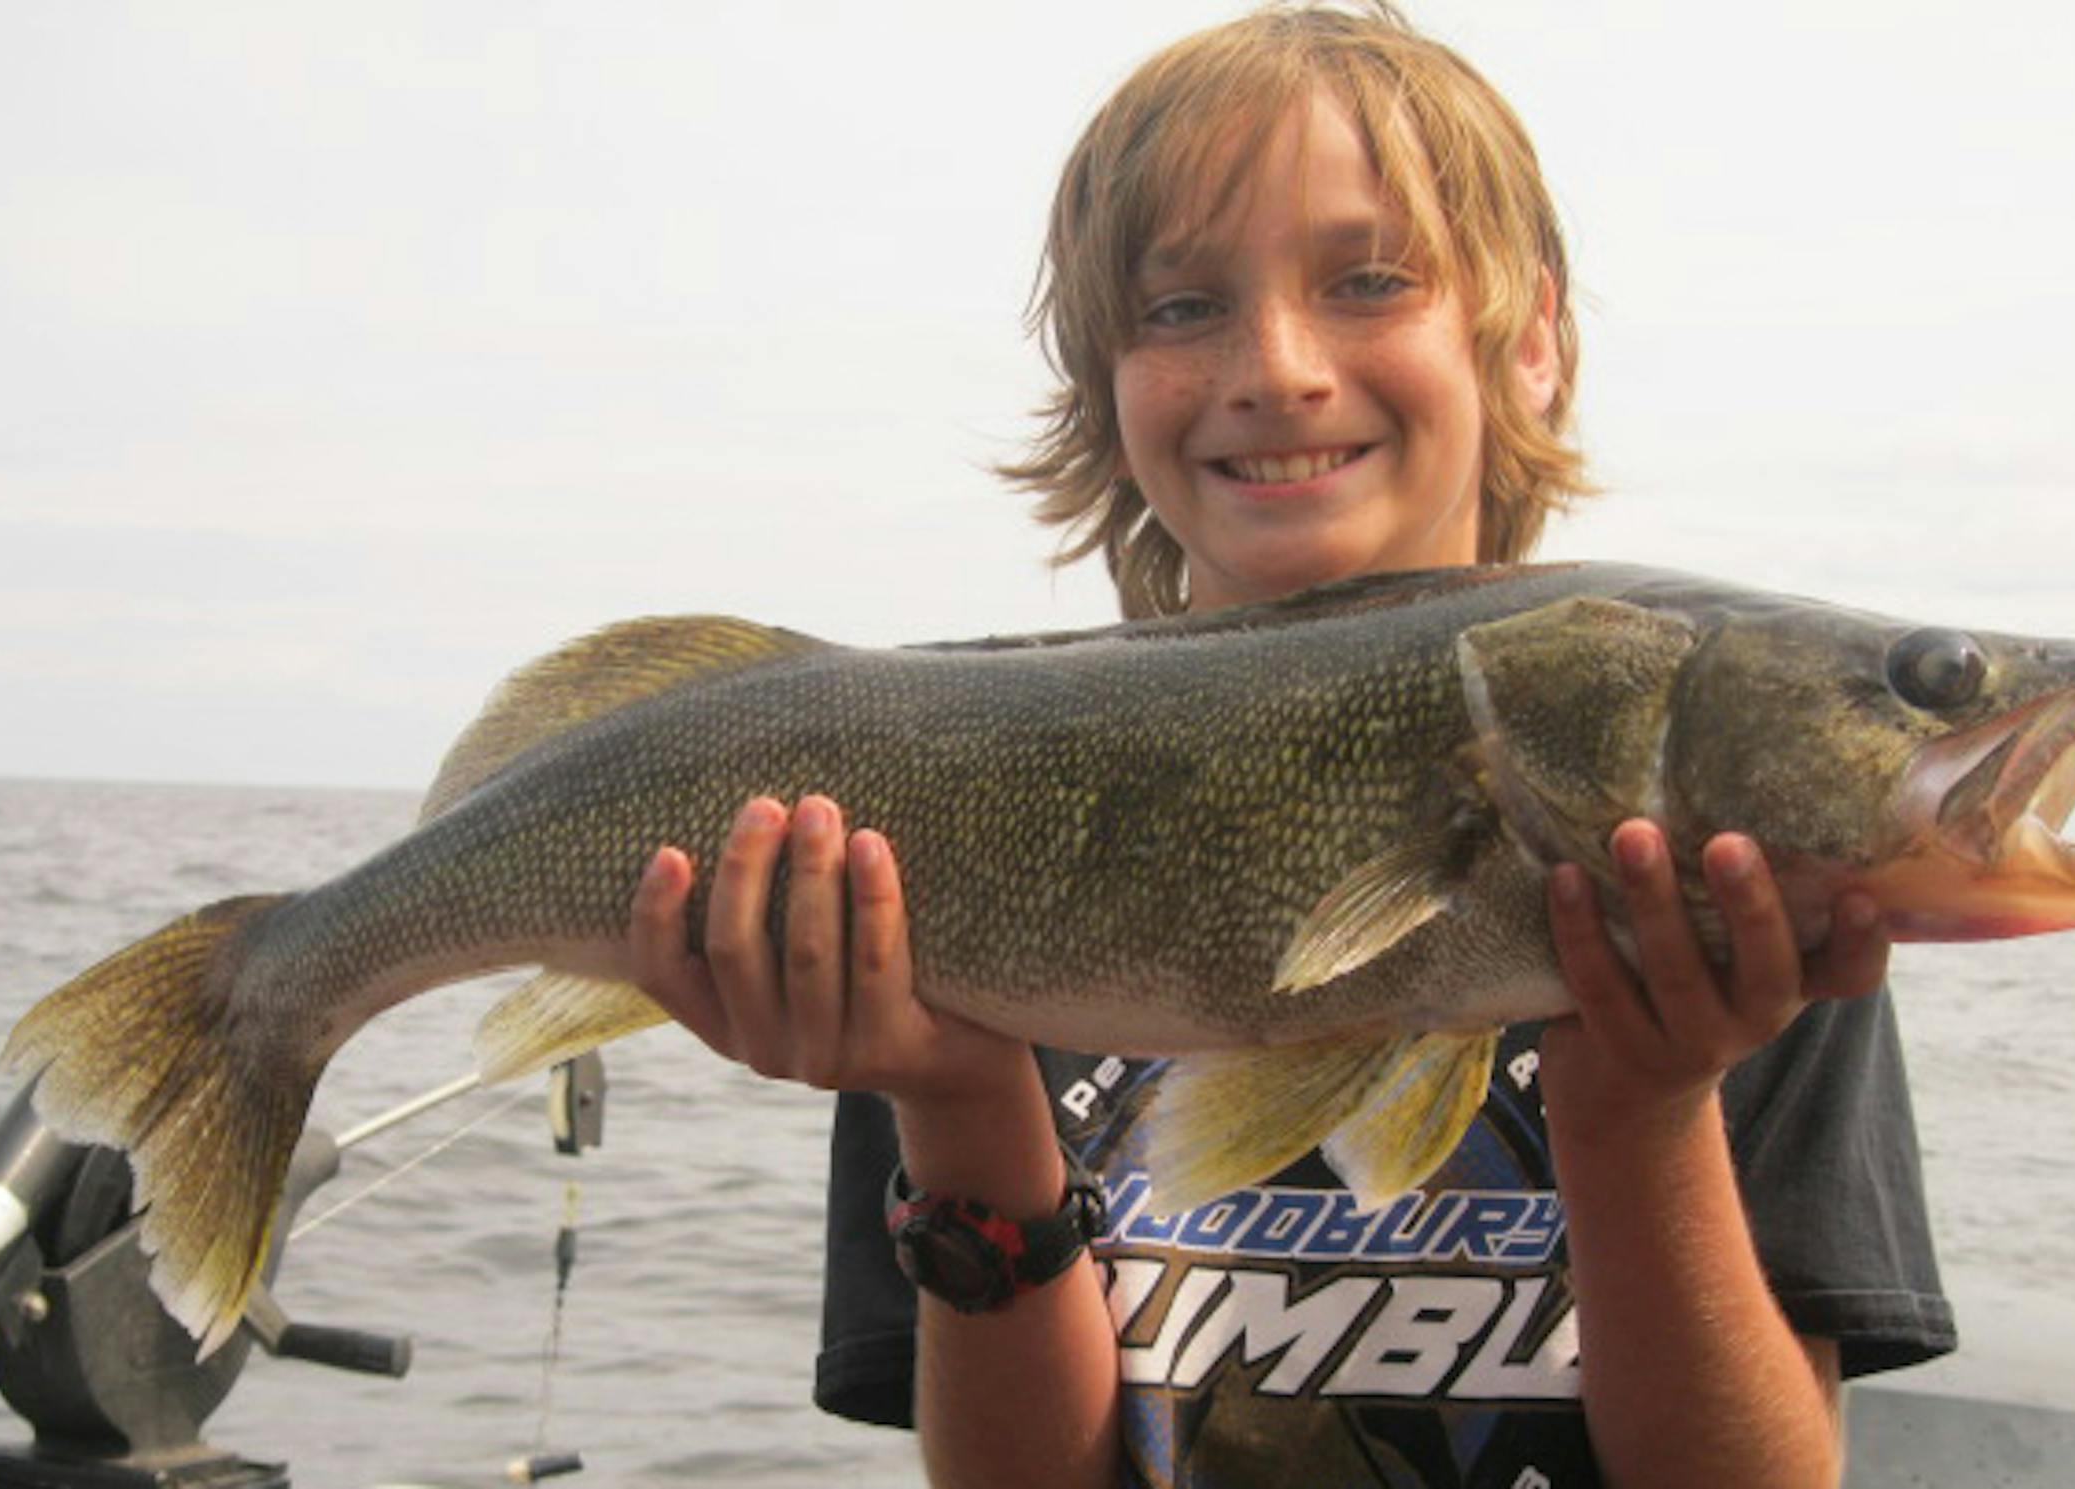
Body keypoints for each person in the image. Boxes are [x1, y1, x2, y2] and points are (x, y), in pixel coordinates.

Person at [627, 5, 1955, 1485]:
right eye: (1183, 307)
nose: (1277, 366)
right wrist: (956, 1100)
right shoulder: (920, 835)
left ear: (1530, 344)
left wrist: (1640, 1110)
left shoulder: (1741, 902)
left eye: (1370, 279)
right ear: (1103, 380)